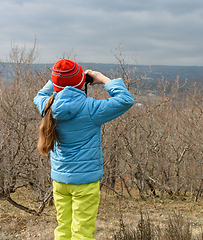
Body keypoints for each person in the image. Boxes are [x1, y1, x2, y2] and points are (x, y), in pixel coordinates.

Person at [34, 59, 134, 239]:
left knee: (63, 228)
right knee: (82, 233)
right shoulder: (91, 109)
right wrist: (101, 78)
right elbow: (126, 100)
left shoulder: (47, 106)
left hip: (60, 180)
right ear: (82, 82)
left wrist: (59, 80)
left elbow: (40, 94)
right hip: (85, 183)